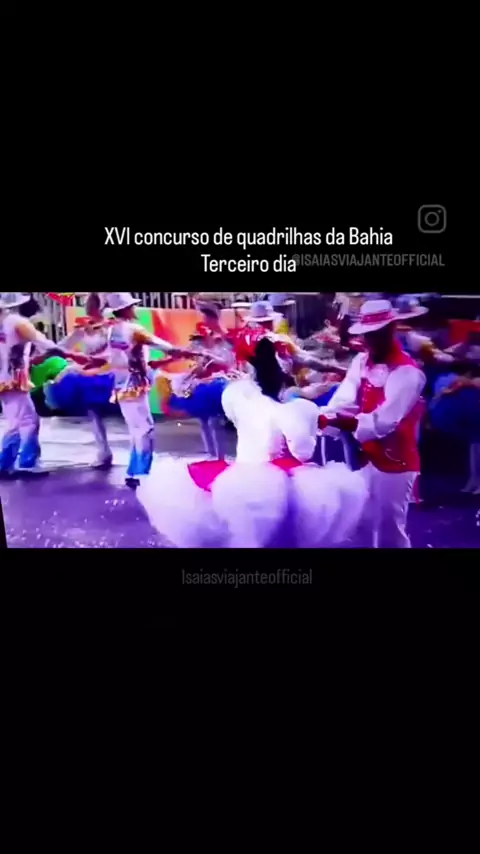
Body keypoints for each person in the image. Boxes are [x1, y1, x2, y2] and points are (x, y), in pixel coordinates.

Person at [137, 327, 368, 548]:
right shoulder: (295, 409)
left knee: (244, 537)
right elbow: (303, 452)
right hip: (286, 483)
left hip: (239, 479)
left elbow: (237, 406)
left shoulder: (238, 396)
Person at [318, 300, 426, 548]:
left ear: (391, 329)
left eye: (378, 334)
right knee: (362, 523)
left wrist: (345, 423)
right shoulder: (360, 361)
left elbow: (385, 420)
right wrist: (324, 416)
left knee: (390, 529)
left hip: (396, 462)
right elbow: (346, 398)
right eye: (368, 335)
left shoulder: (408, 373)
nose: (372, 340)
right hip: (365, 457)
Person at [104, 292, 197, 487]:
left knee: (136, 430)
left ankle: (134, 471)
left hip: (121, 385)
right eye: (132, 306)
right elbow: (163, 346)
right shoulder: (134, 330)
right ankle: (141, 473)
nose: (134, 309)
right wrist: (185, 352)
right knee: (145, 430)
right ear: (126, 309)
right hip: (134, 384)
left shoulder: (112, 330)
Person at [0, 292, 85, 477]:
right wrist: (73, 354)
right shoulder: (17, 322)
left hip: (6, 379)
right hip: (13, 379)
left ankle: (17, 463)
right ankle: (17, 464)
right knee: (21, 422)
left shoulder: (5, 323)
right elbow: (45, 343)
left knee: (24, 420)